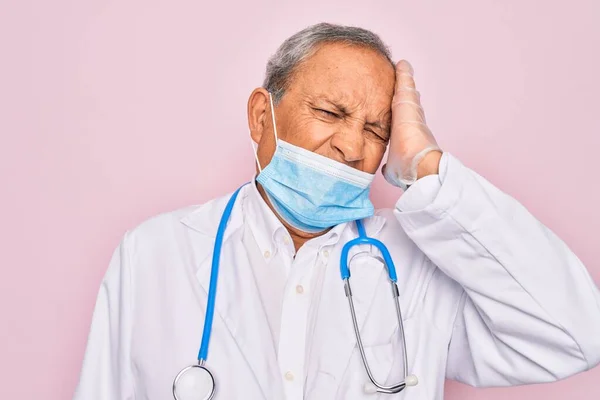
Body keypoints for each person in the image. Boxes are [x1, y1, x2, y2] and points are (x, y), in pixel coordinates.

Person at [73, 23, 600, 400]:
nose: (352, 146)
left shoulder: (423, 264)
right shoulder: (154, 252)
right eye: (330, 112)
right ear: (262, 116)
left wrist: (429, 168)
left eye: (376, 130)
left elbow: (575, 335)